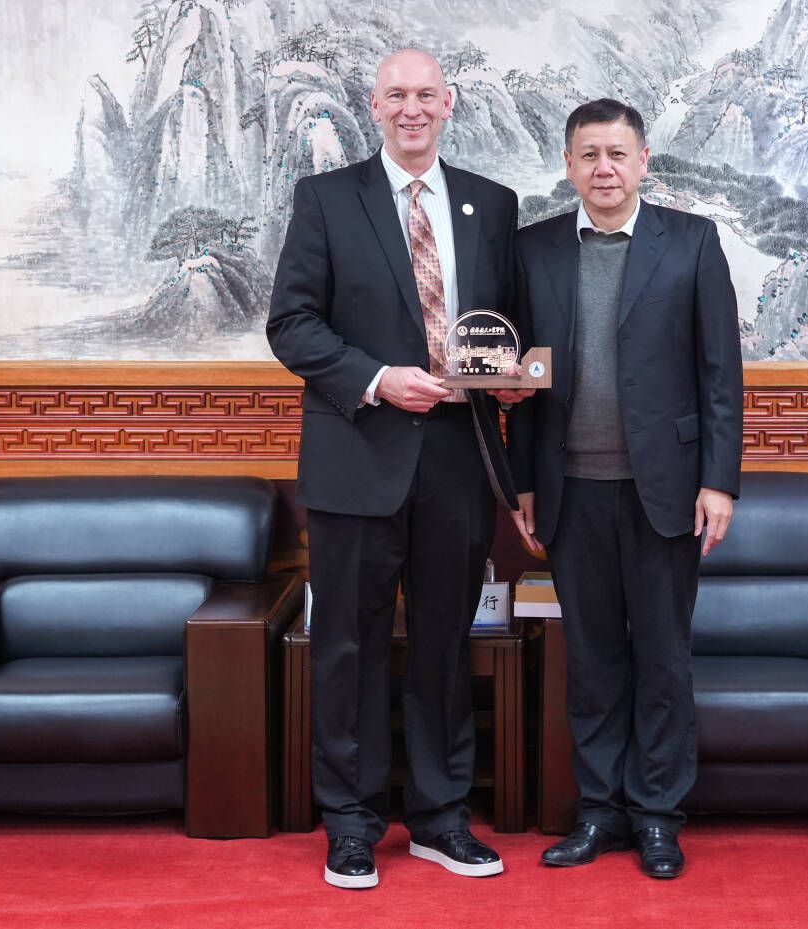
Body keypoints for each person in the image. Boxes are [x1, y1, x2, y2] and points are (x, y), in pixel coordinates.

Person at [267, 49, 522, 889]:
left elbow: (506, 327)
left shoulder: (493, 203)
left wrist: (511, 378)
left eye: (426, 95)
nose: (412, 109)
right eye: (396, 96)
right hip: (357, 454)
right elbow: (291, 325)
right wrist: (377, 378)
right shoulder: (326, 199)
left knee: (446, 642)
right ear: (373, 106)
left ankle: (442, 818)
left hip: (459, 458)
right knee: (348, 646)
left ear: (449, 104)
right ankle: (351, 822)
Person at [505, 98, 744, 878]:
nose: (603, 168)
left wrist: (718, 481)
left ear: (643, 161)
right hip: (570, 488)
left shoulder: (692, 241)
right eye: (589, 155)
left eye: (617, 154)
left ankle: (658, 816)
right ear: (568, 166)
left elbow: (720, 373)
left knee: (663, 658)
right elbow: (523, 380)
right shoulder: (534, 249)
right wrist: (523, 481)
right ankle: (600, 811)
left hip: (664, 489)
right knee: (593, 661)